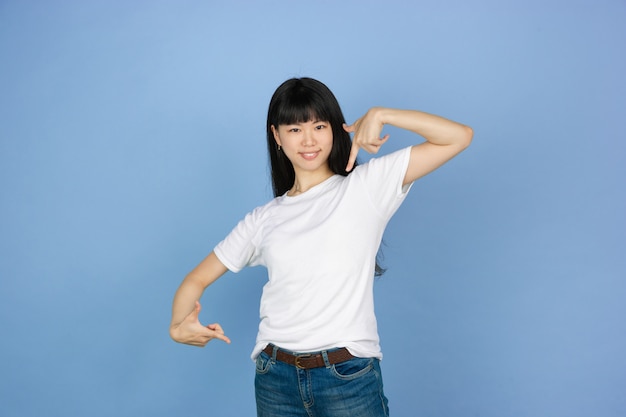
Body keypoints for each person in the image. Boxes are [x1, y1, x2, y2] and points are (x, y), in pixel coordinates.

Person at [169, 77, 473, 416]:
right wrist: (179, 323)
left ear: (335, 130)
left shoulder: (366, 187)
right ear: (277, 136)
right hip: (275, 378)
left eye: (319, 125)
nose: (309, 139)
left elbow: (458, 137)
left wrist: (382, 114)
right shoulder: (264, 219)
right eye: (295, 129)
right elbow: (196, 279)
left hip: (348, 376)